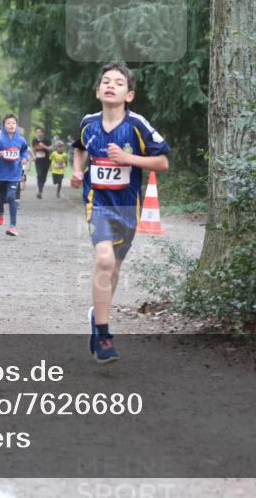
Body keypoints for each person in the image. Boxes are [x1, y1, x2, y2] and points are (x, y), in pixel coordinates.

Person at [71, 63, 169, 363]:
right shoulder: (88, 123)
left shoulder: (137, 125)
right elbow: (78, 148)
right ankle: (103, 334)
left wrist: (128, 158)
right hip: (96, 201)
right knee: (103, 259)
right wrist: (77, 171)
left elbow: (163, 161)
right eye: (105, 81)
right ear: (97, 91)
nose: (111, 85)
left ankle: (96, 315)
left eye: (118, 82)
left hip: (128, 206)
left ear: (130, 94)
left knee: (113, 268)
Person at [0, 114, 29, 237]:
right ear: (4, 125)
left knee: (11, 197)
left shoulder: (21, 140)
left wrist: (24, 159)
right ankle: (0, 212)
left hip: (15, 173)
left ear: (16, 125)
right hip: (1, 174)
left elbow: (24, 151)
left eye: (13, 123)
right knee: (0, 196)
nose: (11, 125)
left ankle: (13, 226)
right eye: (8, 123)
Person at [31, 126, 53, 198]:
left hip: (46, 160)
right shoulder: (34, 140)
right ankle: (39, 191)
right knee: (39, 174)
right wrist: (32, 156)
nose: (38, 133)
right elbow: (33, 149)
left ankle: (40, 188)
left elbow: (51, 149)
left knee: (44, 176)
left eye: (40, 132)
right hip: (38, 160)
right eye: (37, 132)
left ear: (43, 133)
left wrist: (44, 146)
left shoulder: (47, 140)